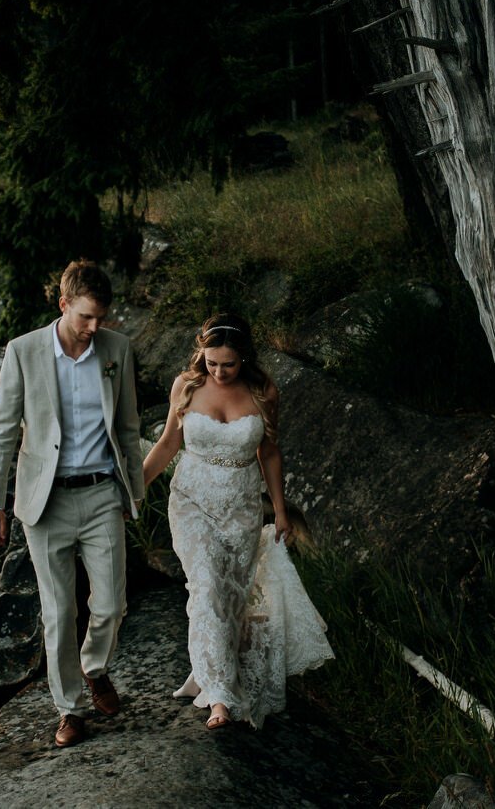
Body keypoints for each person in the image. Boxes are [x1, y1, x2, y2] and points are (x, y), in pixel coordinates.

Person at [0, 260, 145, 748]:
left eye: (102, 318)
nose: (95, 329)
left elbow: (129, 427)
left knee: (112, 604)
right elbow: (3, 431)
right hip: (45, 501)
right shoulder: (24, 351)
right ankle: (70, 709)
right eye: (85, 318)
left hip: (100, 495)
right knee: (57, 612)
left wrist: (133, 492)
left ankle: (95, 668)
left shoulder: (117, 349)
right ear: (63, 305)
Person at [142, 312, 334, 729]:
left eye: (227, 363)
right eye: (211, 362)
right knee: (208, 585)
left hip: (242, 508)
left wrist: (280, 510)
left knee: (231, 598)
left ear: (244, 357)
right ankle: (220, 698)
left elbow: (269, 452)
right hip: (191, 501)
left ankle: (211, 672)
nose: (218, 371)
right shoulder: (187, 386)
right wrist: (136, 485)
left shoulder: (264, 391)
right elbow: (167, 444)